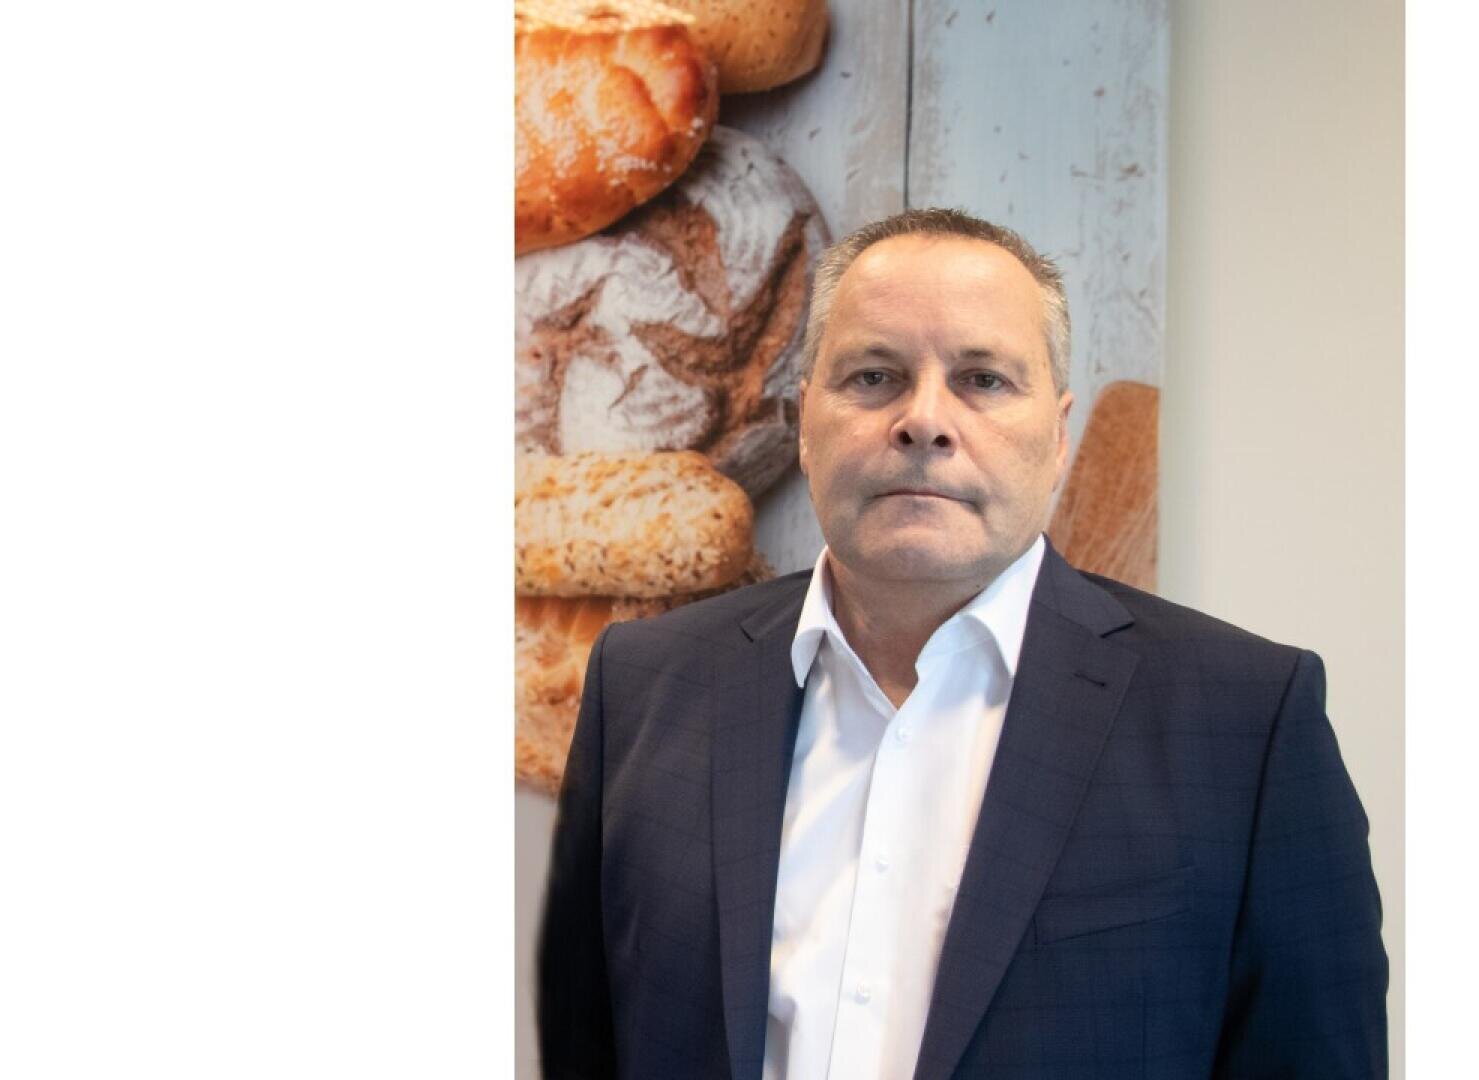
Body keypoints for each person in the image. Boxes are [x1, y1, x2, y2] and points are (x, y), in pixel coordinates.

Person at [537, 208, 1388, 1079]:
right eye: (873, 377)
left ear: (1057, 435)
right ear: (803, 424)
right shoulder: (643, 686)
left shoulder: (1246, 723)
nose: (924, 421)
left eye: (983, 380)